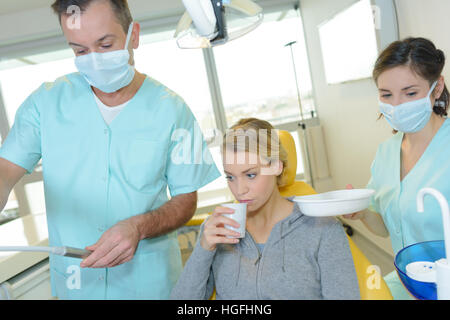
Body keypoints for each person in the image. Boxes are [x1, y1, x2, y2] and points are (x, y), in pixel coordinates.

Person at [0, 0, 220, 299]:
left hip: (149, 285)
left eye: (105, 44)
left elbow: (186, 199)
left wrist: (140, 226)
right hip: (78, 285)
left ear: (134, 35)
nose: (93, 59)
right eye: (80, 50)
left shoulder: (171, 110)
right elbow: (5, 171)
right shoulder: (45, 104)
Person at [171, 118, 360, 300]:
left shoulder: (322, 229)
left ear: (277, 165)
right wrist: (203, 250)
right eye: (230, 177)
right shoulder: (218, 231)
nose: (239, 190)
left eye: (251, 175)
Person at [344, 37, 450, 299]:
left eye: (410, 93)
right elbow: (389, 227)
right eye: (386, 95)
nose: (397, 105)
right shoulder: (386, 153)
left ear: (436, 88)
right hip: (408, 285)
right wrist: (364, 213)